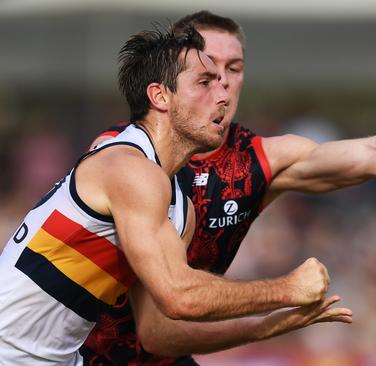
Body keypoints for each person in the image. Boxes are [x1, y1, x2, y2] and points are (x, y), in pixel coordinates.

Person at [80, 10, 376, 366]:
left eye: (235, 68)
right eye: (207, 71)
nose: (223, 85)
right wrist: (276, 311)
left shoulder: (257, 161)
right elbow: (158, 327)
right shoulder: (134, 163)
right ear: (174, 81)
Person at [0, 24, 346, 366]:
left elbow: (159, 332)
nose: (223, 95)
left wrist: (269, 325)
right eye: (204, 83)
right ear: (160, 96)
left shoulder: (181, 210)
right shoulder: (129, 168)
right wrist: (285, 290)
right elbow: (180, 295)